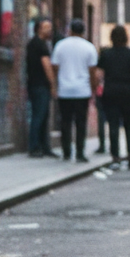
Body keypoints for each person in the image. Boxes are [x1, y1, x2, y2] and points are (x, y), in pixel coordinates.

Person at [50, 18, 98, 162]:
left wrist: (54, 87)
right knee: (80, 123)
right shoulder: (89, 47)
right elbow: (92, 72)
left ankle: (66, 152)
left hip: (64, 90)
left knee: (65, 122)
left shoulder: (60, 46)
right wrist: (93, 90)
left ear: (70, 30)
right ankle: (80, 152)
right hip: (82, 91)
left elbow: (55, 68)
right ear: (83, 31)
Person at [97, 25, 130, 169]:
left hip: (111, 92)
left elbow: (99, 76)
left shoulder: (106, 54)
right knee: (129, 126)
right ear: (126, 37)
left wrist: (96, 90)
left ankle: (115, 158)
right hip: (128, 92)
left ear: (111, 37)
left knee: (113, 125)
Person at [25, 18, 58, 158]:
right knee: (39, 116)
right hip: (40, 85)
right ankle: (35, 147)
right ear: (39, 29)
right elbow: (47, 66)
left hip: (34, 84)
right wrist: (53, 85)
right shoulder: (40, 45)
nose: (50, 30)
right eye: (46, 27)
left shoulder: (33, 43)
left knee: (42, 116)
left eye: (50, 27)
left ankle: (44, 147)